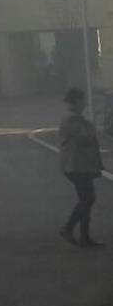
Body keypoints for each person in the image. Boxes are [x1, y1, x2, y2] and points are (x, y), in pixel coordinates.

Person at [59, 86, 105, 248]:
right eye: (83, 99)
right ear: (77, 100)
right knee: (88, 198)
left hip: (79, 165)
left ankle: (84, 236)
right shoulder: (72, 119)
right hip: (76, 166)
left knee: (87, 199)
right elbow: (84, 139)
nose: (85, 102)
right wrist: (92, 127)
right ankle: (69, 228)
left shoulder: (75, 118)